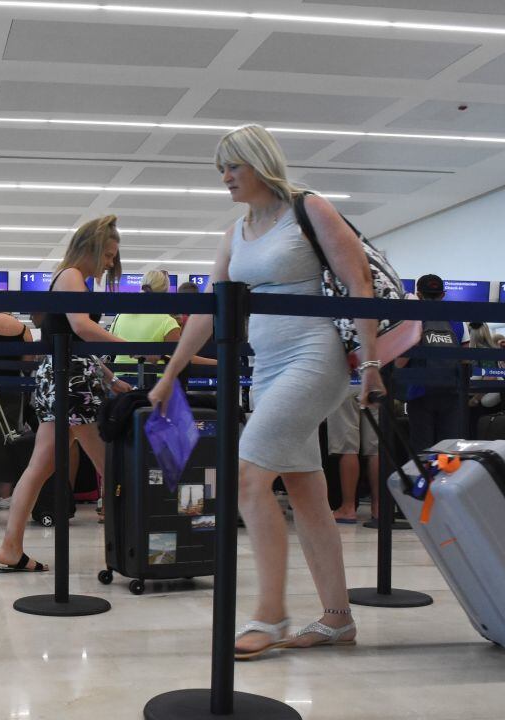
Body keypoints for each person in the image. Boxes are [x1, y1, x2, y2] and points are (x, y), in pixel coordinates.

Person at [149, 124, 384, 660]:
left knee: (247, 477)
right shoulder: (236, 232)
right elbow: (211, 310)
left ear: (259, 163)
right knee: (305, 491)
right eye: (221, 170)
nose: (225, 178)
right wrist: (169, 374)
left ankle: (271, 616)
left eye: (233, 166)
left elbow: (359, 283)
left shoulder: (309, 208)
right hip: (268, 367)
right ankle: (337, 619)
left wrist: (371, 362)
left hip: (314, 357)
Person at [0, 216, 133, 573]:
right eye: (107, 255)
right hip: (71, 384)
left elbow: (72, 341)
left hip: (66, 378)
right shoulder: (71, 276)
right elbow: (82, 328)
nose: (109, 263)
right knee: (110, 467)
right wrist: (132, 347)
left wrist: (109, 377)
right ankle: (128, 546)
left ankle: (11, 547)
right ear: (91, 248)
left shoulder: (70, 277)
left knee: (41, 467)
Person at [395, 274, 464, 451]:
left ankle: (424, 471)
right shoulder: (457, 320)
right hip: (451, 391)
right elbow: (465, 359)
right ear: (443, 294)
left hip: (420, 392)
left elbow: (400, 363)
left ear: (418, 294)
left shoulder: (413, 320)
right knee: (449, 448)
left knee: (422, 447)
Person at [110, 269, 214, 380]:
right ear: (165, 292)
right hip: (153, 382)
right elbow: (182, 358)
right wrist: (218, 363)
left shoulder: (119, 317)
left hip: (120, 381)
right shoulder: (167, 322)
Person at [0, 310, 35, 509]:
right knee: (9, 437)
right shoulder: (23, 329)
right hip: (12, 388)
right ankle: (5, 496)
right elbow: (28, 364)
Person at [327, 388, 379, 526]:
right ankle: (379, 507)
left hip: (347, 383)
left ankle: (348, 508)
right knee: (376, 448)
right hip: (376, 382)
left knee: (348, 447)